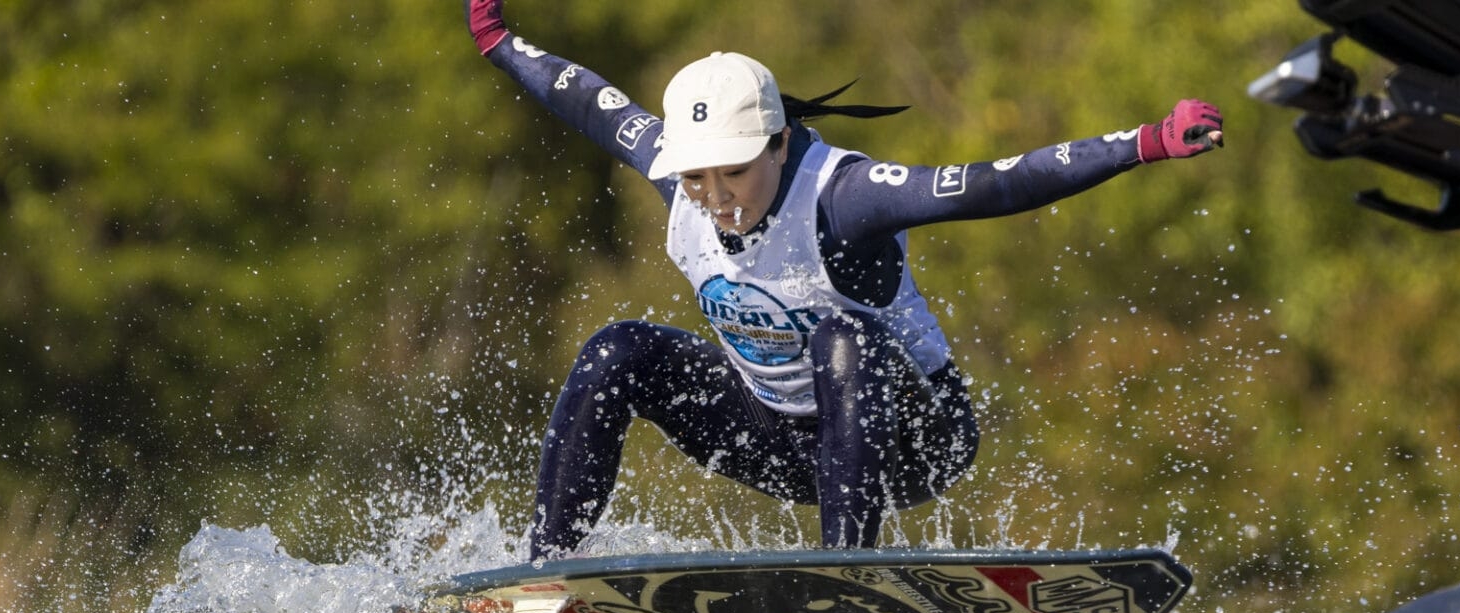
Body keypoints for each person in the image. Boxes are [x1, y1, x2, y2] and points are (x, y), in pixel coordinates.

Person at [465, 1, 1224, 558]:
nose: (717, 199)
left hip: (911, 440)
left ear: (780, 143)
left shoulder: (846, 196)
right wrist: (498, 43)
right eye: (698, 179)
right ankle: (548, 577)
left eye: (735, 174)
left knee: (840, 337)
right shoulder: (681, 178)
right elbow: (587, 99)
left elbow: (998, 182)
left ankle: (845, 573)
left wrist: (1147, 142)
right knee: (616, 351)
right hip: (779, 438)